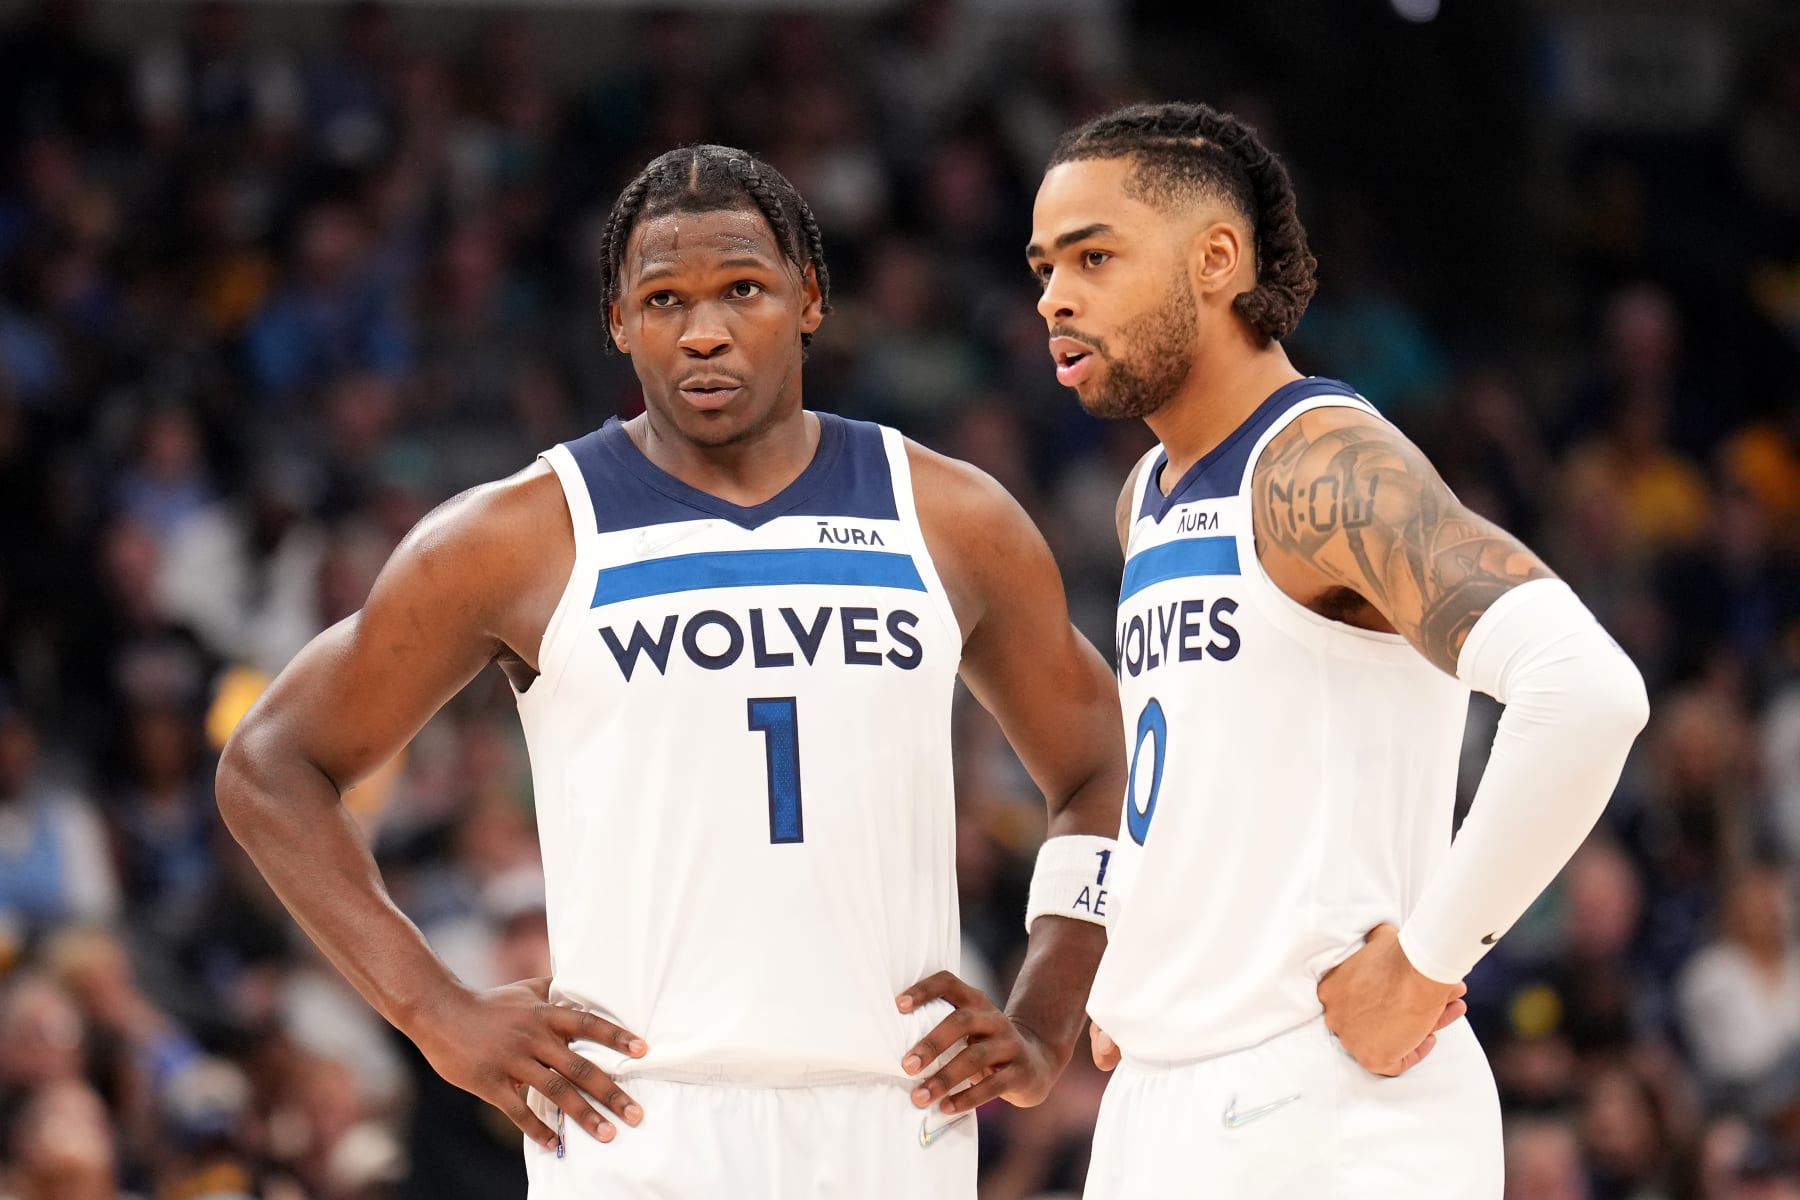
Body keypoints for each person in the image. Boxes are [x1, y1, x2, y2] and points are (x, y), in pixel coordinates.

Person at [215, 144, 1127, 1199]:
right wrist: (436, 1012)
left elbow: (1101, 771)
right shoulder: (520, 536)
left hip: (896, 1114)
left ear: (810, 299)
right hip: (642, 1121)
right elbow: (271, 765)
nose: (704, 330)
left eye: (743, 289)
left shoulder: (952, 518)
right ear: (618, 322)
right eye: (664, 299)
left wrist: (1046, 1017)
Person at [1024, 101, 1650, 1197]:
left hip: (1323, 1106)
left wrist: (1428, 960)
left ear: (1217, 258)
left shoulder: (1319, 466)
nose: (1055, 298)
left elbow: (1586, 691)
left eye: (1094, 257)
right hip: (1166, 1099)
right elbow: (1192, 766)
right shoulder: (1148, 497)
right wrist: (1139, 955)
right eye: (1043, 268)